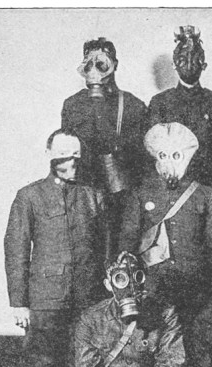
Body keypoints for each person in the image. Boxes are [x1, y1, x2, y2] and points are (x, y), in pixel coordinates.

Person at [4, 129, 107, 367]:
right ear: (48, 154)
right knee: (47, 359)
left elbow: (106, 247)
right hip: (46, 297)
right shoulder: (29, 196)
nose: (71, 161)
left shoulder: (93, 195)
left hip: (88, 295)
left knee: (86, 357)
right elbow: (16, 250)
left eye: (76, 154)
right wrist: (19, 302)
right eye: (63, 154)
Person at [119, 122, 212, 331]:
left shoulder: (205, 194)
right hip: (152, 288)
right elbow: (127, 241)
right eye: (163, 155)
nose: (169, 162)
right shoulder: (141, 193)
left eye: (176, 156)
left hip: (194, 287)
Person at [61, 38, 149, 258]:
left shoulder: (132, 105)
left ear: (114, 64)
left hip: (122, 197)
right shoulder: (72, 106)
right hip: (83, 192)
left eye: (102, 63)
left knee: (122, 256)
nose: (95, 69)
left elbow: (141, 162)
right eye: (89, 62)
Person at [148, 25, 212, 191]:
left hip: (207, 187)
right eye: (183, 59)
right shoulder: (160, 102)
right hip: (171, 187)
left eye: (195, 58)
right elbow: (154, 151)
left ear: (203, 64)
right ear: (175, 64)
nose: (189, 64)